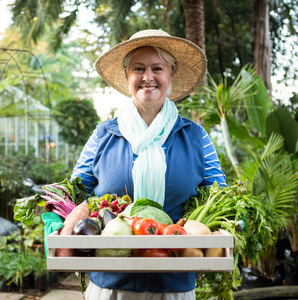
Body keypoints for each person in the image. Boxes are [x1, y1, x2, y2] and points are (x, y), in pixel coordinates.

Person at [71, 29, 227, 300]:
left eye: (158, 68)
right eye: (138, 68)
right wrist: (58, 218)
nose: (148, 77)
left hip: (174, 282)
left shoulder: (195, 137)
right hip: (111, 283)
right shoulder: (104, 136)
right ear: (127, 76)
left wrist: (232, 227)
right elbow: (76, 191)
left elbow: (221, 195)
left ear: (171, 74)